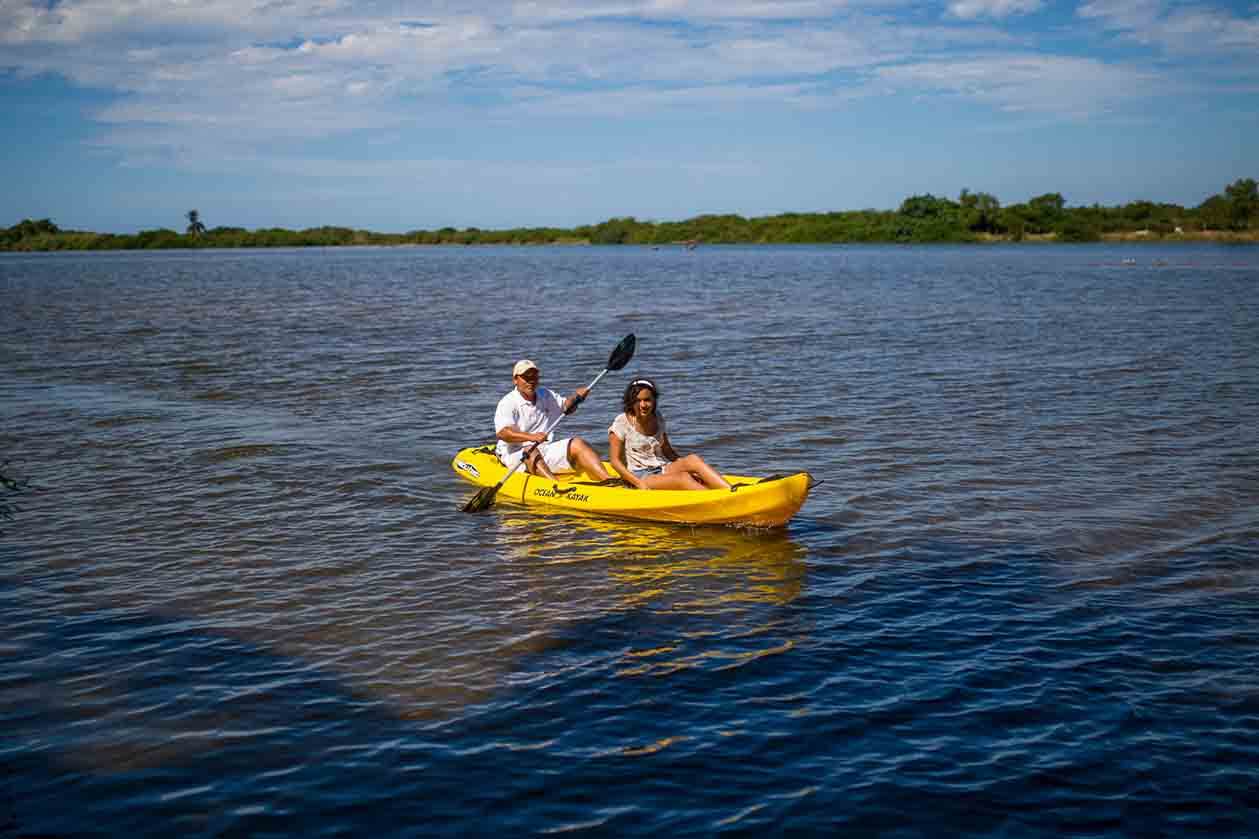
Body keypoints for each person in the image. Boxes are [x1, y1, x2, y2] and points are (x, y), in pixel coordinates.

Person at [495, 359, 612, 482]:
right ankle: (555, 486)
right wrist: (531, 437)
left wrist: (577, 397)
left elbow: (567, 407)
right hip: (515, 454)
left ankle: (609, 480)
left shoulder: (545, 394)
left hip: (543, 449)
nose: (531, 381)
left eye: (534, 377)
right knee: (530, 450)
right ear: (515, 380)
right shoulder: (508, 402)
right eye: (526, 378)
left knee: (577, 443)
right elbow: (503, 433)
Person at [608, 378, 731, 491]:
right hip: (639, 475)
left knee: (693, 460)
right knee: (683, 478)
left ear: (654, 400)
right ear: (631, 402)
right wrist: (638, 483)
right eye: (638, 400)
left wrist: (688, 466)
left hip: (661, 468)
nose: (643, 405)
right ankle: (718, 501)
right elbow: (615, 461)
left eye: (647, 400)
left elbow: (667, 450)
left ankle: (730, 490)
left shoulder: (657, 417)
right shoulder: (622, 422)